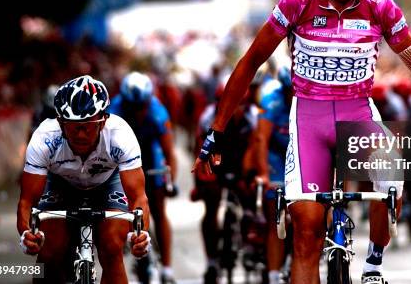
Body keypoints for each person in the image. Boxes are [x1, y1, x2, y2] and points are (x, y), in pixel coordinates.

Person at [192, 0, 411, 284]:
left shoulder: (381, 8)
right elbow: (250, 62)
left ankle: (374, 265)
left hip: (358, 113)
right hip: (308, 119)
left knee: (391, 181)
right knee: (306, 234)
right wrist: (216, 131)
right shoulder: (297, 3)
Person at [17, 75, 151, 284]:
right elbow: (27, 201)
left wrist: (140, 234)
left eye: (88, 125)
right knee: (50, 249)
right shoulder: (44, 137)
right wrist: (27, 234)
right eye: (72, 126)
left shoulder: (120, 135)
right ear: (60, 123)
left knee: (112, 247)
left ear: (103, 120)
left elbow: (138, 197)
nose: (80, 134)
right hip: (60, 182)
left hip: (107, 183)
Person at [108, 71, 178, 284]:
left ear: (149, 100)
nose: (138, 111)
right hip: (121, 160)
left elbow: (169, 153)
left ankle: (167, 268)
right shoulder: (114, 110)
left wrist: (170, 181)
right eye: (133, 106)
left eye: (142, 107)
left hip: (149, 157)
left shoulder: (157, 112)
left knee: (158, 209)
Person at [192, 80, 259, 284]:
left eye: (240, 104)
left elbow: (258, 146)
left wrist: (252, 174)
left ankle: (251, 242)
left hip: (242, 163)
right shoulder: (207, 118)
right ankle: (212, 260)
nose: (234, 109)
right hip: (216, 163)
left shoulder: (254, 117)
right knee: (210, 206)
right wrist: (201, 183)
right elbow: (199, 150)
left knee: (253, 199)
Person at [244, 66, 292, 284]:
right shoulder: (271, 100)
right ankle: (273, 275)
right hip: (275, 154)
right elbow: (261, 140)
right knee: (276, 217)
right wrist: (263, 173)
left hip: (300, 151)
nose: (293, 96)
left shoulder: (312, 97)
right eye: (289, 91)